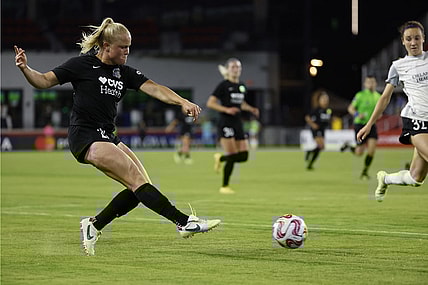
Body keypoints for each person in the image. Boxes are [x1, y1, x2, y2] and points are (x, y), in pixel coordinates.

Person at [14, 17, 221, 256]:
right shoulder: (81, 65)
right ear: (106, 46)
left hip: (109, 136)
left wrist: (182, 101)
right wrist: (25, 68)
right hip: (86, 136)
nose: (127, 52)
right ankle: (184, 222)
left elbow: (154, 88)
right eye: (123, 47)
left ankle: (94, 225)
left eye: (129, 47)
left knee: (141, 188)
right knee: (137, 181)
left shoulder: (124, 73)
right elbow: (44, 81)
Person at [357, 20, 427, 202]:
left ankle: (385, 179)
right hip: (417, 121)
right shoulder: (398, 66)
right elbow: (385, 98)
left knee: (415, 178)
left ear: (423, 39)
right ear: (403, 42)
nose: (413, 42)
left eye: (417, 38)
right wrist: (369, 124)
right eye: (409, 39)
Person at [206, 58, 259, 194]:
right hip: (226, 122)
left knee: (244, 156)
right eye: (233, 67)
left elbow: (241, 103)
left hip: (237, 122)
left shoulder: (241, 86)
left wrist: (251, 108)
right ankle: (224, 186)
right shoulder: (223, 85)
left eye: (238, 67)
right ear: (228, 69)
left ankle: (220, 158)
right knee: (233, 154)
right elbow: (210, 103)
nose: (236, 69)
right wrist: (226, 110)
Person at [341, 75, 381, 179]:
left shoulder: (378, 96)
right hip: (360, 125)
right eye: (368, 82)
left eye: (372, 82)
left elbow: (380, 111)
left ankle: (365, 171)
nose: (370, 84)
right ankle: (349, 146)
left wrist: (379, 115)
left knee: (372, 151)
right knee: (359, 152)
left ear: (375, 83)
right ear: (365, 84)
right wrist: (357, 115)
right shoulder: (360, 95)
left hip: (371, 125)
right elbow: (350, 108)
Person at [304, 91, 332, 170]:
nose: (325, 101)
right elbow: (307, 117)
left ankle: (309, 155)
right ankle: (310, 163)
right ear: (319, 100)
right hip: (315, 129)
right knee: (320, 146)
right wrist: (313, 124)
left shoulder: (328, 110)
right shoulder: (316, 109)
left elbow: (328, 119)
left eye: (326, 99)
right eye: (323, 99)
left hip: (322, 130)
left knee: (321, 147)